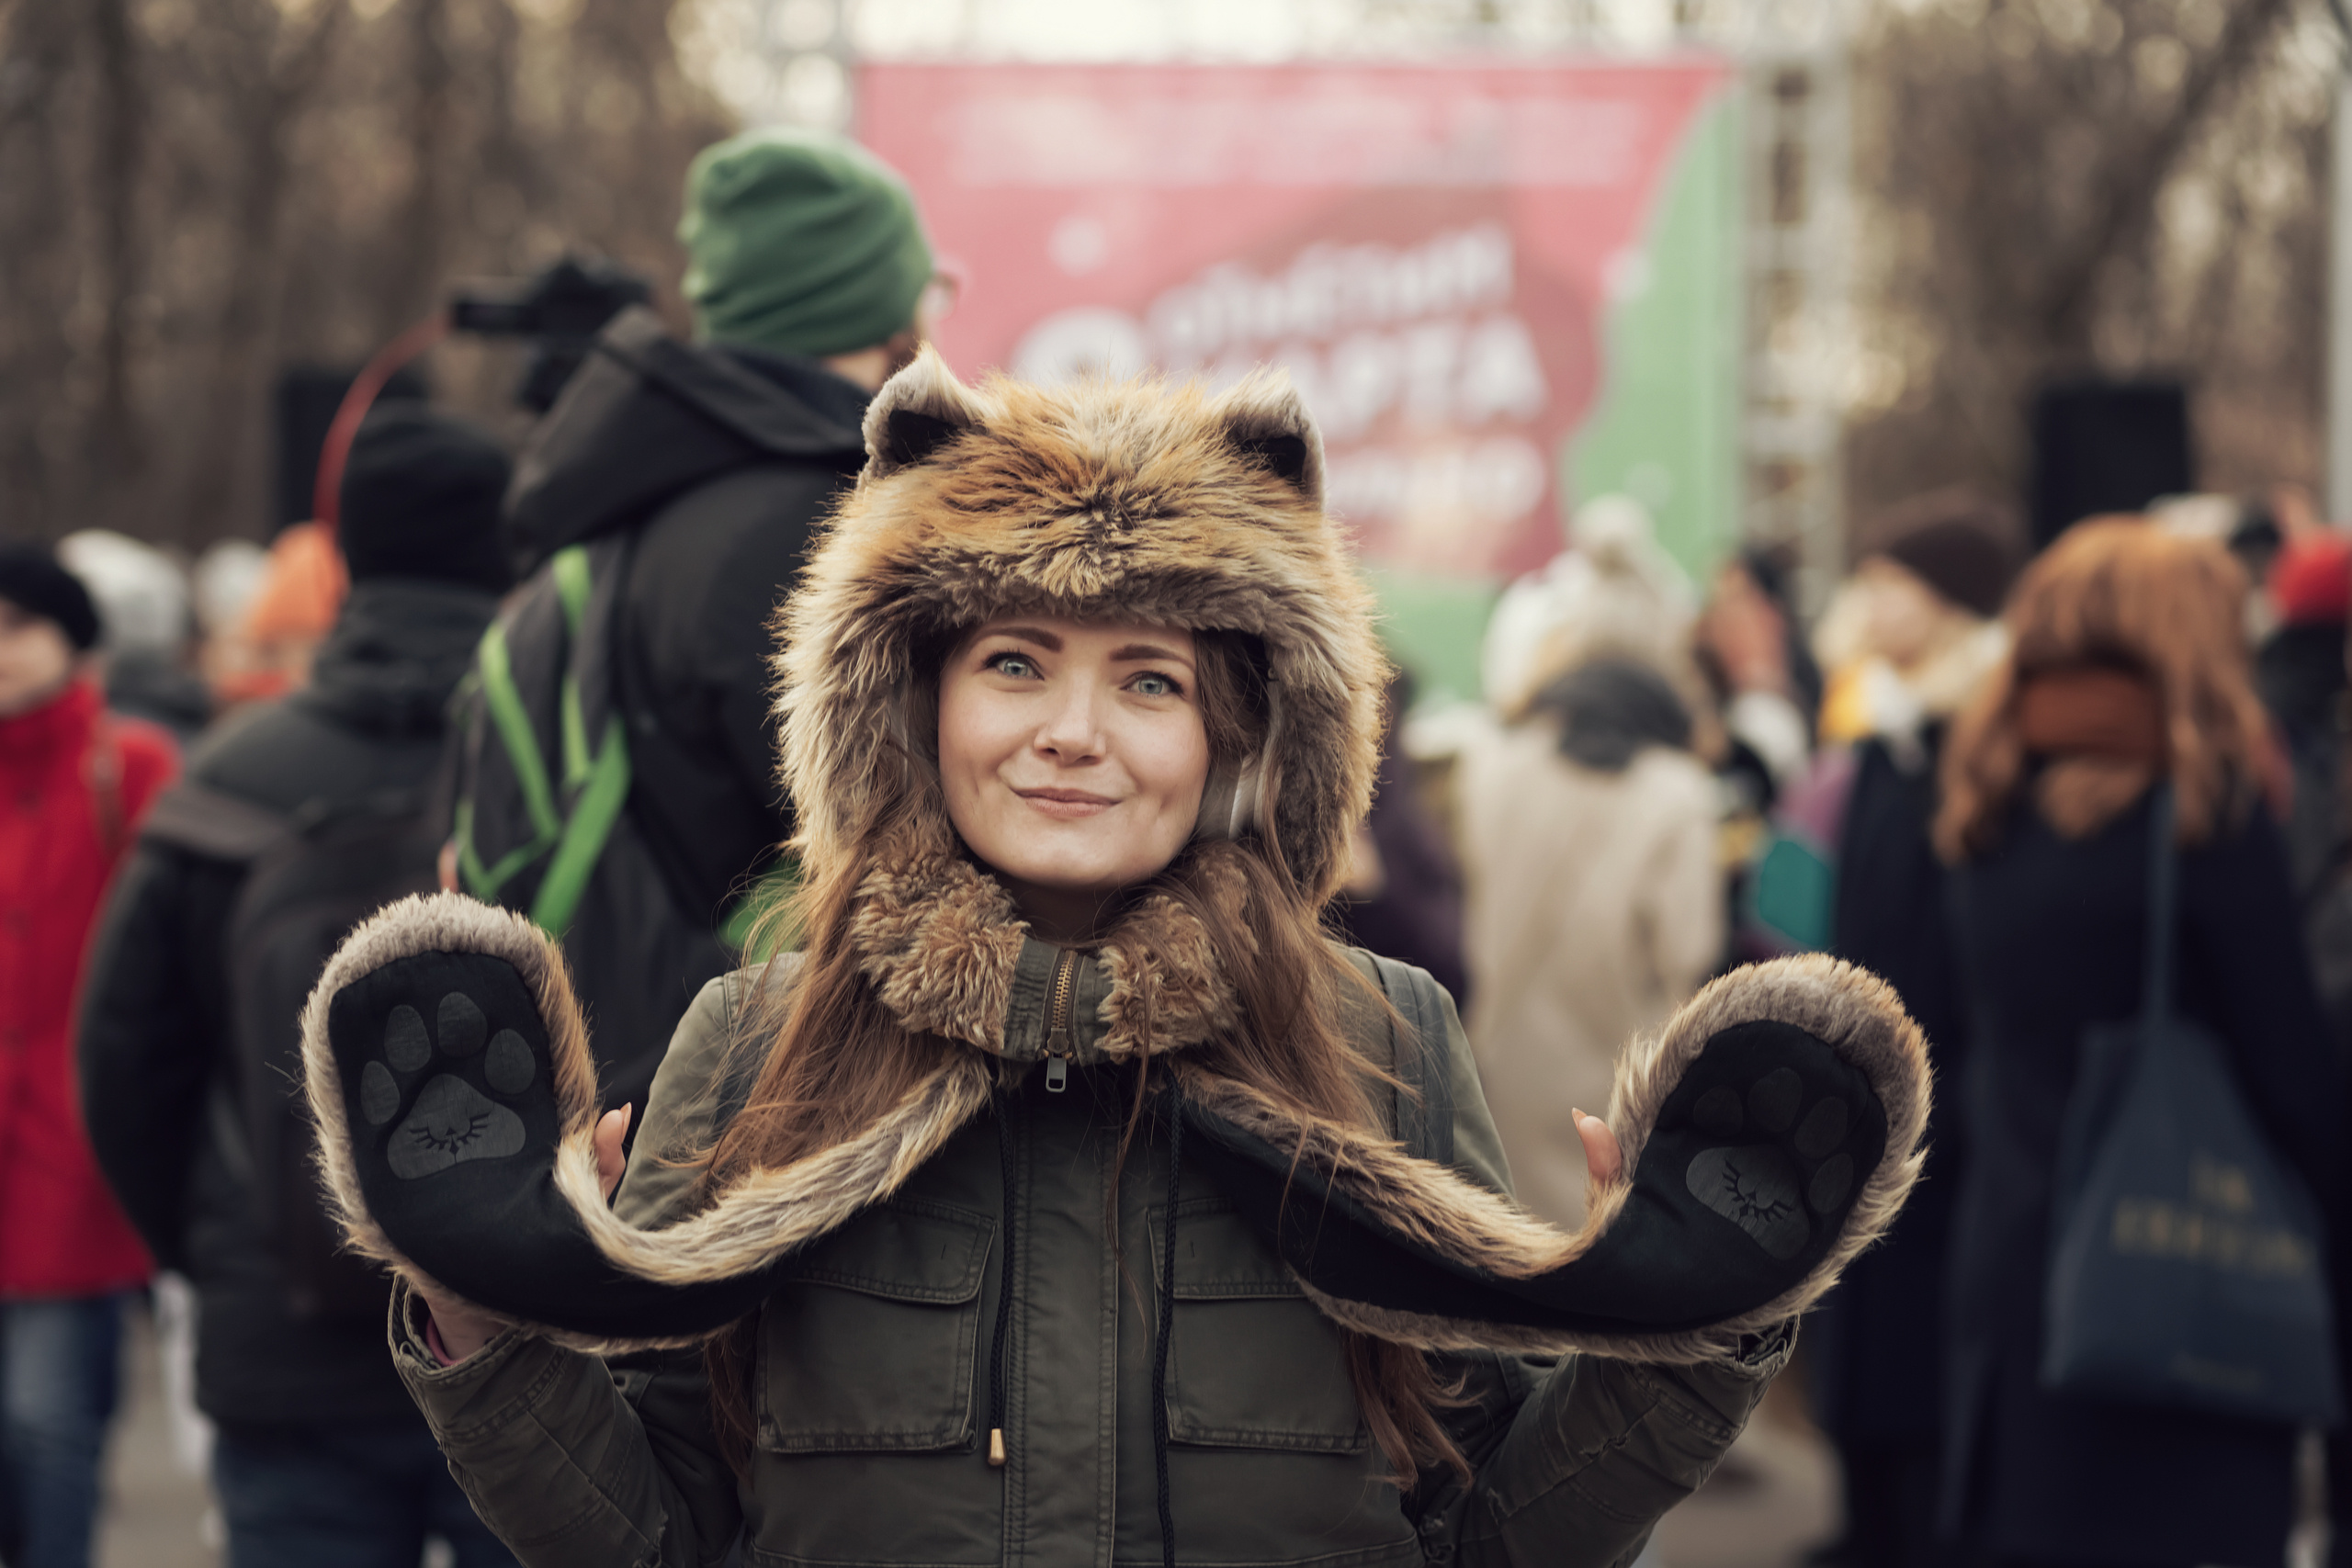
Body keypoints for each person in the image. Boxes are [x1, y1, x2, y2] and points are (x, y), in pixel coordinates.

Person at [291, 356, 1932, 1568]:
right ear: (913, 703)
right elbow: (655, 1537)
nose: (1075, 735)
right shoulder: (760, 1039)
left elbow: (1491, 1533)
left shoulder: (1383, 1042)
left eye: (1149, 678)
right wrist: (478, 1322)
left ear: (1237, 733)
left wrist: (1705, 1325)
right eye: (1015, 662)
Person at [75, 408, 519, 1568]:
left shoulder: (223, 782)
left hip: (282, 1336)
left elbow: (124, 1059)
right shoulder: (558, 775)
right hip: (529, 1346)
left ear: (348, 555)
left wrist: (215, 1250)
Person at [451, 126, 944, 1111]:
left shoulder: (623, 500)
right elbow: (915, 853)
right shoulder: (822, 528)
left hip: (607, 1074)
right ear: (893, 314)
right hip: (758, 1097)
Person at [1933, 518, 2339, 1568]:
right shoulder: (2202, 822)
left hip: (2014, 1283)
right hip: (2174, 1284)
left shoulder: (1986, 811)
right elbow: (2293, 1079)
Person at [1803, 489, 2022, 1568]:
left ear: (1946, 603)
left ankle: (1922, 1525)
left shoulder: (1976, 729)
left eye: (1893, 583)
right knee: (1867, 1291)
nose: (1868, 602)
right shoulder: (1890, 727)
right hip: (1875, 1072)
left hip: (1952, 1084)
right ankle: (1869, 1519)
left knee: (1923, 1312)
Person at [1456, 512, 1722, 1230]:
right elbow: (1686, 957)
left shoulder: (1488, 767)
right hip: (1618, 1098)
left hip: (1495, 1079)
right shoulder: (1679, 792)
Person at [0, 544, 176, 1568]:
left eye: (20, 626)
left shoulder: (131, 766)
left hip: (75, 1150)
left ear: (70, 637)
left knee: (51, 1421)